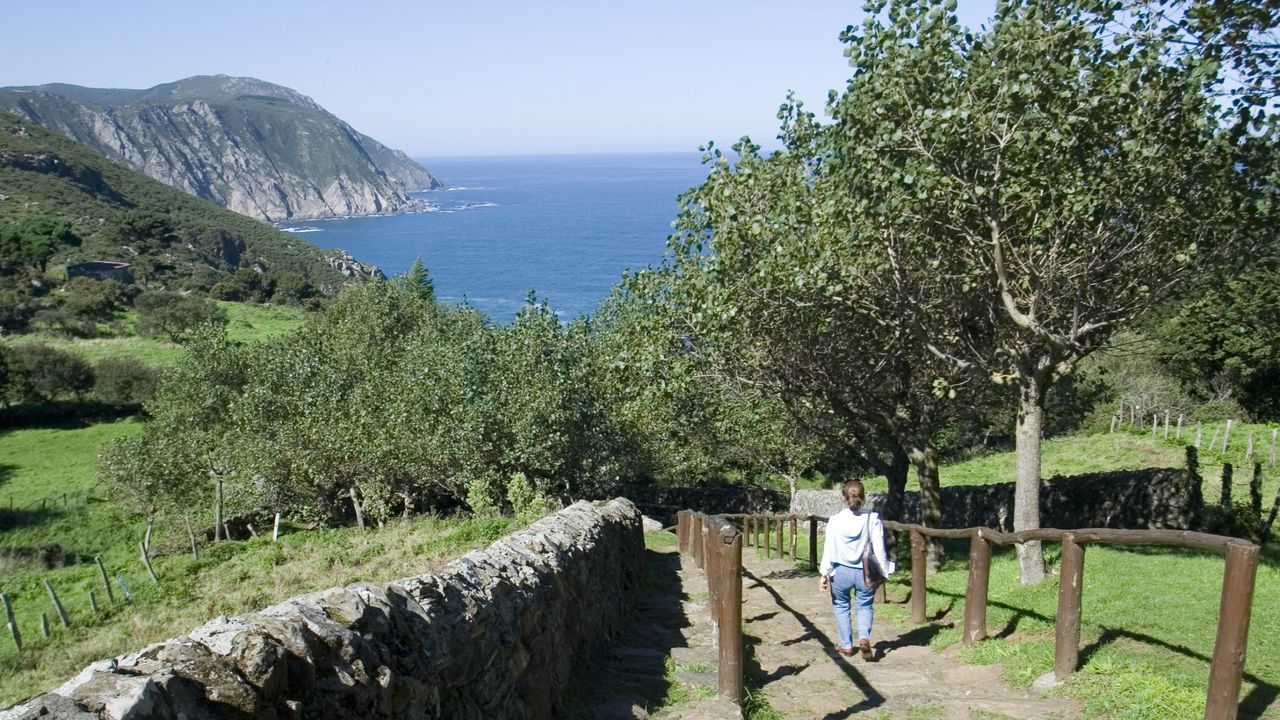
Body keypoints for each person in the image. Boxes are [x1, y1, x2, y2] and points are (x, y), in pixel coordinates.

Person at [819, 478, 894, 661]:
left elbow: (829, 548)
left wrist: (824, 573)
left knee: (841, 606)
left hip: (841, 571)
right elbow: (879, 549)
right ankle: (864, 638)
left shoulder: (835, 520)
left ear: (844, 498)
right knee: (865, 606)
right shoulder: (872, 518)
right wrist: (885, 570)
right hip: (865, 572)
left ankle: (846, 646)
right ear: (863, 497)